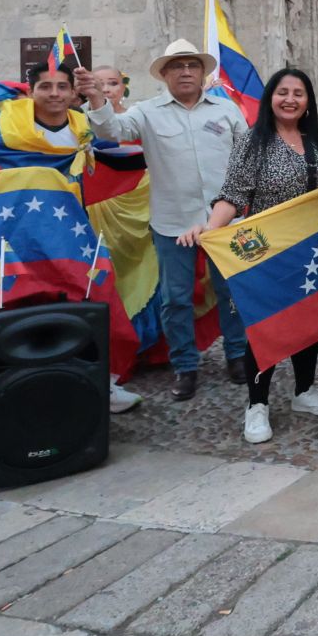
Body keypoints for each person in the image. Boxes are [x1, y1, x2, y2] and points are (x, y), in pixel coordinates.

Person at [0, 63, 143, 413]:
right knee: (21, 312)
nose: (54, 93)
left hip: (70, 235)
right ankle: (17, 388)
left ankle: (103, 380)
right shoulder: (8, 126)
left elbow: (119, 156)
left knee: (95, 301)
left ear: (73, 93)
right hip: (18, 238)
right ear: (31, 91)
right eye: (45, 86)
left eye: (61, 86)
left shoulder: (83, 127)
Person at [78, 39, 251, 402]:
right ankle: (185, 366)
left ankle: (237, 356)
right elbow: (112, 131)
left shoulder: (227, 110)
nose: (185, 71)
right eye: (177, 66)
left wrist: (242, 206)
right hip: (173, 222)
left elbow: (245, 160)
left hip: (225, 221)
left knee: (231, 292)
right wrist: (96, 98)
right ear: (165, 74)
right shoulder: (148, 112)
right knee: (175, 299)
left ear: (203, 73)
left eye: (192, 65)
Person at [201, 68, 318, 444]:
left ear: (308, 101)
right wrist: (210, 231)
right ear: (270, 98)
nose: (290, 99)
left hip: (311, 249)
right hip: (269, 253)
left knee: (308, 320)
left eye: (299, 93)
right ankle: (257, 403)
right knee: (267, 327)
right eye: (283, 92)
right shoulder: (254, 142)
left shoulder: (315, 141)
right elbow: (232, 194)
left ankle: (304, 391)